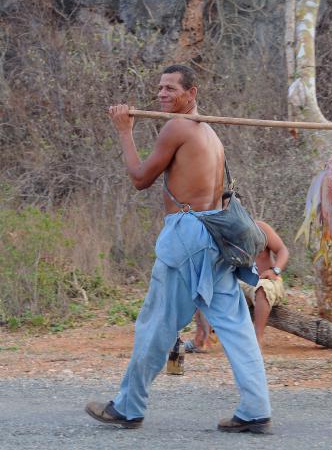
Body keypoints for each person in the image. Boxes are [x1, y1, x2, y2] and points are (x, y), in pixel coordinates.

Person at [85, 64, 272, 434]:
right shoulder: (210, 135)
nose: (162, 94)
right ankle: (256, 409)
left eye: (171, 88)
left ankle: (127, 407)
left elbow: (140, 179)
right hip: (214, 238)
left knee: (156, 325)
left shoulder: (177, 127)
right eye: (159, 89)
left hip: (187, 236)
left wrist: (124, 131)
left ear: (192, 93)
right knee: (236, 327)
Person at [185, 220, 289, 351]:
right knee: (204, 288)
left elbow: (283, 250)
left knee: (262, 288)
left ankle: (257, 339)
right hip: (239, 284)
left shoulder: (260, 228)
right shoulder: (223, 234)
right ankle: (202, 340)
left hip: (267, 281)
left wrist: (275, 271)